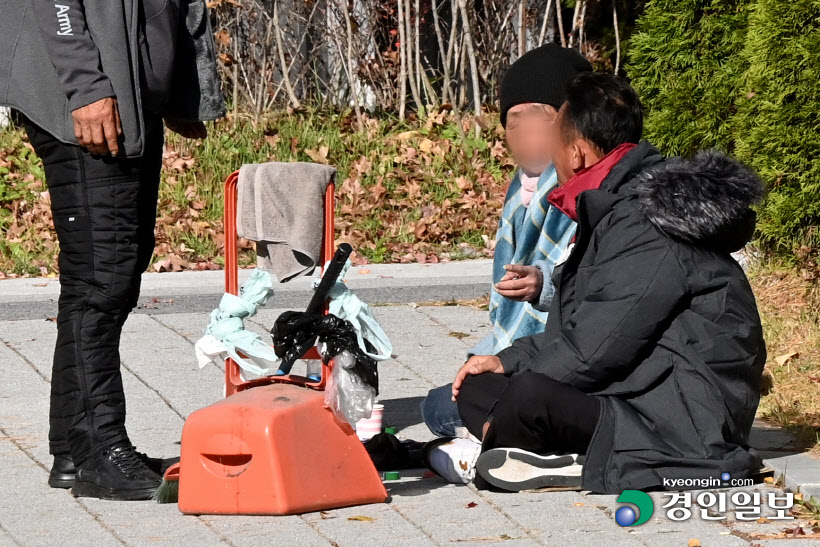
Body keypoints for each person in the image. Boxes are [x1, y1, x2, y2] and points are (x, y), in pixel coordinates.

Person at [442, 72, 767, 493]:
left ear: (576, 153)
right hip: (638, 388)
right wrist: (509, 359)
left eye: (554, 143)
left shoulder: (646, 221)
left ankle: (549, 454)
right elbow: (585, 326)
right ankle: (531, 449)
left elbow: (596, 349)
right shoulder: (616, 207)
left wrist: (520, 387)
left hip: (682, 421)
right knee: (478, 383)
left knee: (525, 396)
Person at [0, 0, 225, 500]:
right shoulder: (87, 89)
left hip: (130, 94)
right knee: (103, 278)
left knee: (107, 276)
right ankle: (99, 451)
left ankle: (72, 448)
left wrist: (182, 90)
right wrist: (86, 86)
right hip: (89, 97)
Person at [420, 45, 590, 448]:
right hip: (532, 353)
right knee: (445, 398)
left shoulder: (583, 192)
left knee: (443, 407)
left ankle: (518, 438)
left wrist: (544, 285)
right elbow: (504, 323)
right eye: (516, 123)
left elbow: (592, 288)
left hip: (568, 354)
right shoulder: (521, 193)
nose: (527, 136)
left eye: (540, 121)